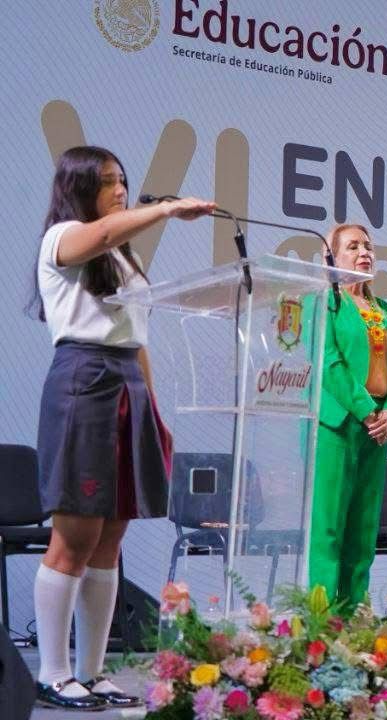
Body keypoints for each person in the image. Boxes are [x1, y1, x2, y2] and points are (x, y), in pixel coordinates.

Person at [30, 146, 214, 710]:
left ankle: (92, 671)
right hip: (84, 381)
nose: (119, 190)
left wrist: (151, 410)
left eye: (122, 181)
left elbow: (137, 339)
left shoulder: (122, 257)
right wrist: (167, 209)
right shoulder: (64, 237)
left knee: (111, 538)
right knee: (75, 536)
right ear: (80, 188)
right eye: (108, 182)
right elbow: (106, 231)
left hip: (127, 383)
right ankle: (52, 673)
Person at [308, 224, 387, 611]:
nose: (364, 252)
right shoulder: (324, 303)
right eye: (353, 246)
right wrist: (368, 411)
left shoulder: (384, 310)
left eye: (368, 246)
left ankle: (353, 620)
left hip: (378, 430)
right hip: (338, 426)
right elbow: (329, 363)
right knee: (329, 529)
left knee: (363, 531)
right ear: (331, 259)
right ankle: (320, 624)